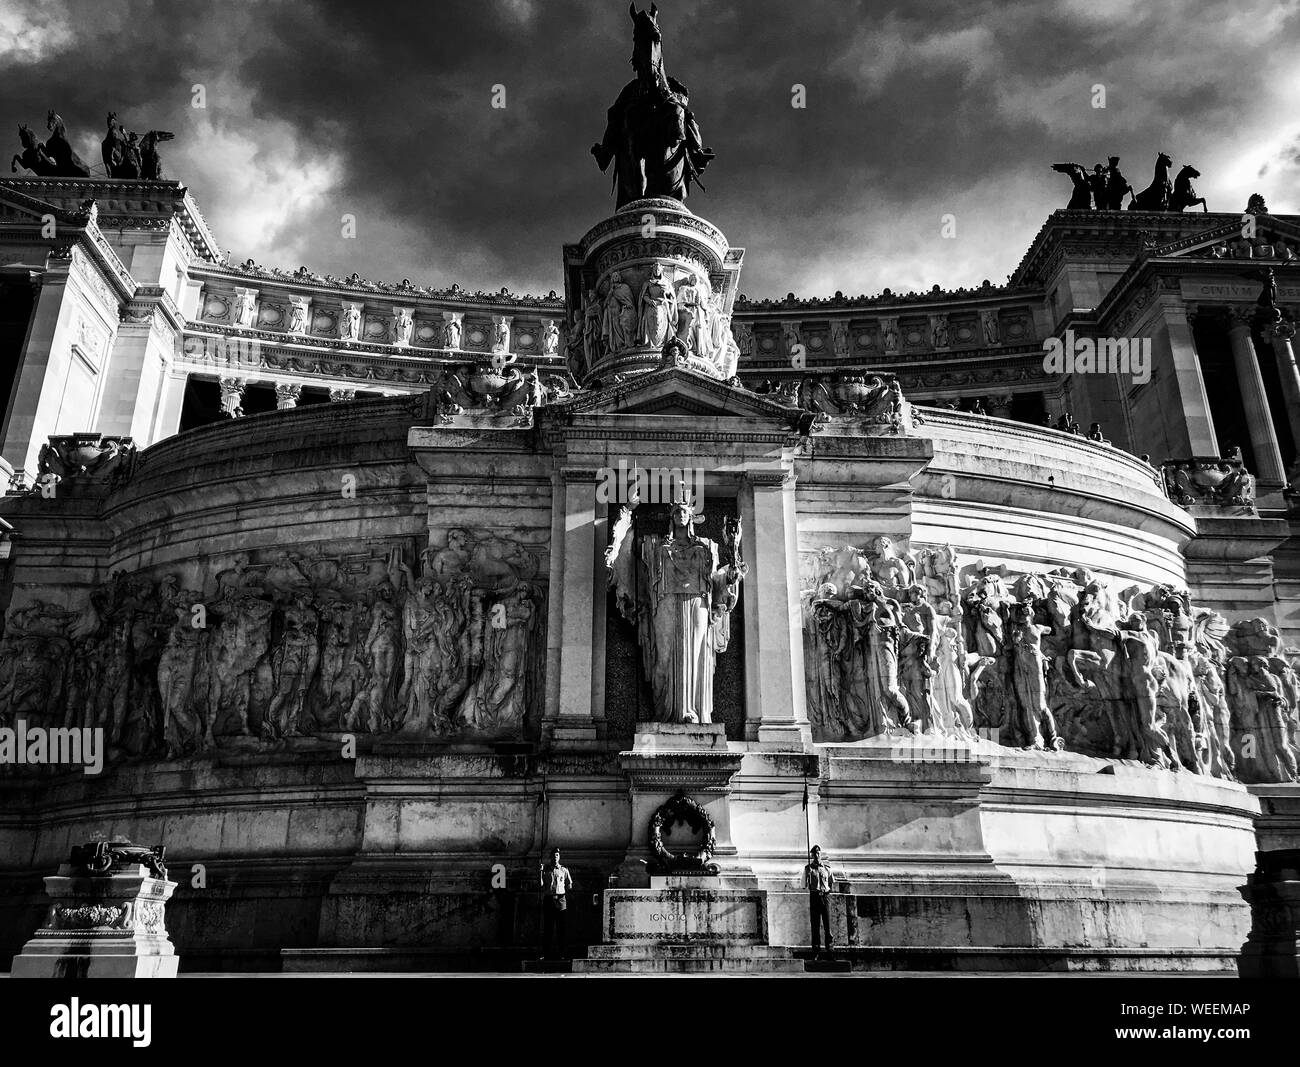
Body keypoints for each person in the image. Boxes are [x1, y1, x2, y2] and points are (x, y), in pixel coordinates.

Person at [539, 847, 574, 959]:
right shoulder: (546, 870)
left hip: (560, 899)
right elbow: (541, 885)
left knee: (561, 928)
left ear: (559, 857)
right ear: (550, 857)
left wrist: (564, 889)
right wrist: (540, 872)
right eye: (553, 855)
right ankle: (546, 953)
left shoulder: (564, 870)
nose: (555, 857)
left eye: (557, 855)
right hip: (549, 899)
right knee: (548, 928)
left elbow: (570, 884)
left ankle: (562, 953)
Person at [803, 845, 836, 956]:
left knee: (827, 925)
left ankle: (830, 949)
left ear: (820, 854)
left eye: (818, 853)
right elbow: (804, 884)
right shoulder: (808, 868)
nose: (817, 855)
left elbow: (831, 883)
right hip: (814, 896)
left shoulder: (827, 869)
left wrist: (826, 892)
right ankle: (816, 950)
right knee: (815, 925)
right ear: (812, 855)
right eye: (815, 854)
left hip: (825, 897)